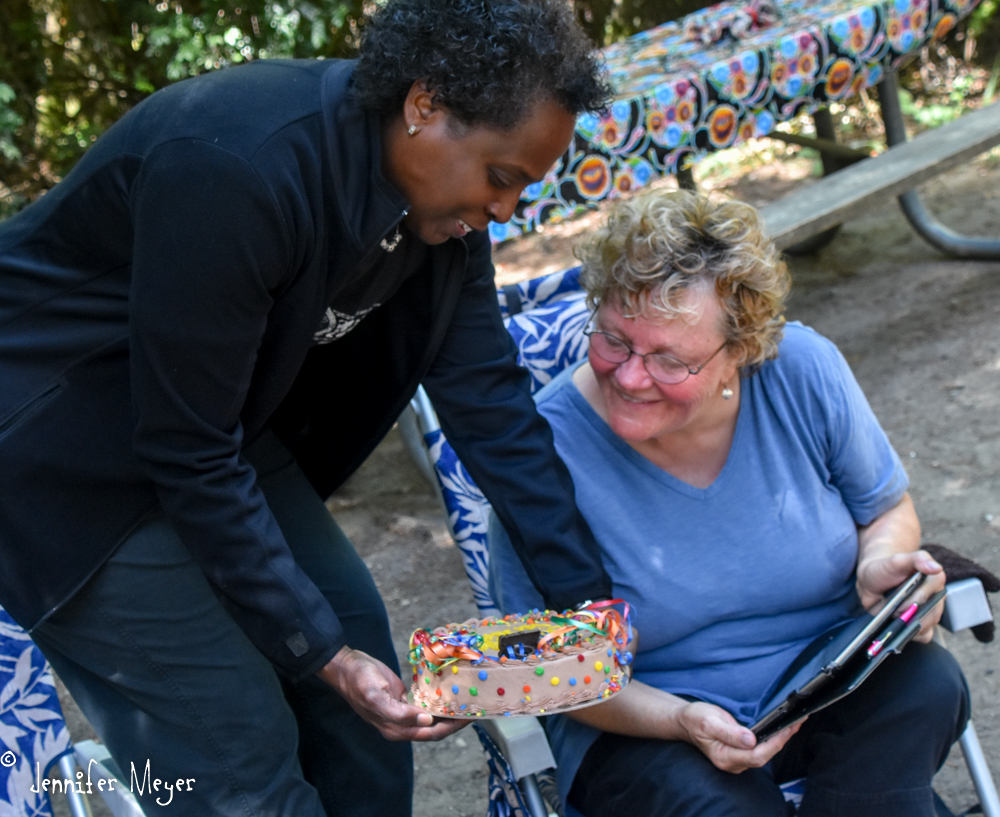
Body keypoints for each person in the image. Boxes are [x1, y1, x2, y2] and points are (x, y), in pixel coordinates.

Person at [0, 1, 617, 814]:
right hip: (57, 449)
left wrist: (590, 606)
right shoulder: (239, 166)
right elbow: (185, 447)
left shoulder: (445, 225)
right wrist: (316, 651)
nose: (504, 211)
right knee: (235, 740)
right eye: (500, 177)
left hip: (205, 421)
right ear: (424, 104)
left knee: (358, 640)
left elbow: (492, 405)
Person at [488, 189, 970, 817]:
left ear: (739, 351)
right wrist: (683, 720)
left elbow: (886, 509)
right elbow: (543, 671)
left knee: (928, 686)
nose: (630, 377)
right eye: (612, 340)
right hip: (646, 720)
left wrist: (879, 561)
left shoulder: (801, 371)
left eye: (669, 359)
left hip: (821, 678)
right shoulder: (541, 458)